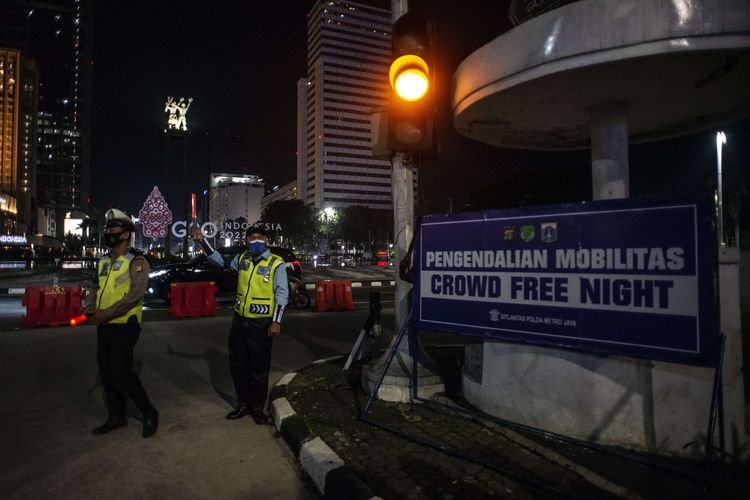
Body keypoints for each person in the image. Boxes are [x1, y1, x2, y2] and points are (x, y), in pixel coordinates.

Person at [191, 224, 288, 424]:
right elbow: (218, 260)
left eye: (260, 237)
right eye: (251, 238)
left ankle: (257, 408)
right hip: (239, 321)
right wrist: (201, 240)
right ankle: (243, 404)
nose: (255, 241)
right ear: (246, 241)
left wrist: (276, 321)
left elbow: (282, 294)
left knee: (258, 368)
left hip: (261, 324)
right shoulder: (242, 259)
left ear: (266, 240)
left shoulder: (276, 263)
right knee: (238, 365)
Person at [85, 208, 159, 438]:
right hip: (104, 325)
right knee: (107, 374)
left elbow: (135, 295)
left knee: (121, 374)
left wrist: (105, 313)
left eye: (113, 229)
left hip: (125, 325)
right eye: (107, 229)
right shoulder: (104, 261)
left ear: (126, 234)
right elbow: (96, 287)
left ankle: (149, 412)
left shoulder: (137, 261)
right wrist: (89, 305)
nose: (109, 232)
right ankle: (117, 417)